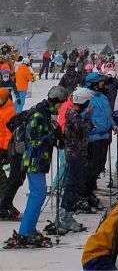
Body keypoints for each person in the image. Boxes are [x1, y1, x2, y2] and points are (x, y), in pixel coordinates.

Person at [4, 86, 68, 248]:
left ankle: (28, 229)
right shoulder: (38, 115)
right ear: (55, 101)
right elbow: (33, 140)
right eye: (61, 104)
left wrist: (58, 137)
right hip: (33, 160)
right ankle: (25, 232)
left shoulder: (46, 114)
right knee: (37, 195)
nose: (61, 108)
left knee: (37, 195)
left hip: (39, 160)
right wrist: (50, 135)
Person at [58, 87, 93, 232]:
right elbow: (82, 129)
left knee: (76, 183)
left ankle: (67, 212)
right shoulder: (73, 113)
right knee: (73, 184)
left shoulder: (75, 112)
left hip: (77, 153)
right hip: (74, 154)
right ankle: (65, 215)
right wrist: (89, 119)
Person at [83, 72, 114, 208]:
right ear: (94, 84)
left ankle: (90, 190)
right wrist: (94, 127)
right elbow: (83, 116)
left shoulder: (102, 97)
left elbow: (107, 114)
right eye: (100, 82)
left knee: (100, 165)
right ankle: (86, 193)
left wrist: (112, 124)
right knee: (92, 166)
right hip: (93, 137)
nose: (103, 84)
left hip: (104, 136)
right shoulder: (86, 97)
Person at [0, 88, 16, 204]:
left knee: (3, 176)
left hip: (4, 148)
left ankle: (4, 202)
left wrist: (5, 149)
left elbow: (9, 133)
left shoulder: (9, 111)